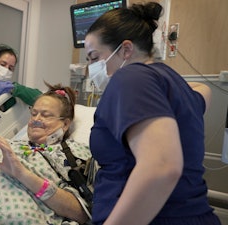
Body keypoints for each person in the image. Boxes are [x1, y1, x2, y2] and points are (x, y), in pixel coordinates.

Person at [85, 2, 220, 225]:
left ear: (126, 50)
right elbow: (204, 91)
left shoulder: (129, 78)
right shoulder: (169, 83)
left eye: (94, 57)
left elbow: (162, 167)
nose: (90, 68)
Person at [0, 82, 92, 224]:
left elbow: (83, 213)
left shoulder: (73, 154)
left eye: (45, 115)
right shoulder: (8, 144)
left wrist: (22, 174)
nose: (36, 119)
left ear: (65, 124)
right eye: (33, 113)